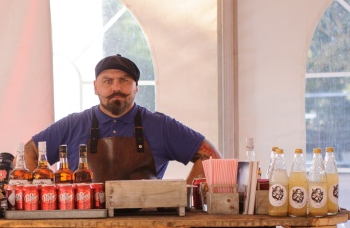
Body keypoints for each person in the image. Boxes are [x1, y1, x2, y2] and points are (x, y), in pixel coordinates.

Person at [24, 54, 221, 182]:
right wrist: (49, 194)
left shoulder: (160, 125)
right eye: (107, 81)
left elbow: (210, 157)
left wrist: (184, 197)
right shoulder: (73, 124)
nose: (116, 88)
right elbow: (28, 152)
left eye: (124, 80)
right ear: (95, 87)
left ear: (136, 87)